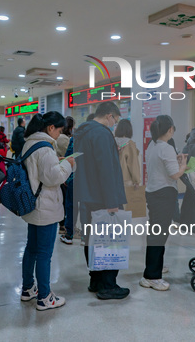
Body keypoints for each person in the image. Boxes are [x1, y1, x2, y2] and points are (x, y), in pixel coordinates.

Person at [74, 101, 129, 300]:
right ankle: (108, 285)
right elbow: (106, 170)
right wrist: (111, 200)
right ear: (109, 116)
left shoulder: (83, 132)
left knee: (92, 239)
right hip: (103, 198)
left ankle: (95, 280)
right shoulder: (102, 133)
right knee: (109, 241)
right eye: (115, 119)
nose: (115, 123)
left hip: (88, 196)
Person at [20, 112, 74, 311]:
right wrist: (68, 164)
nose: (60, 134)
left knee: (31, 249)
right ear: (51, 128)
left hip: (33, 205)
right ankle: (44, 297)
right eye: (59, 130)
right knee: (44, 253)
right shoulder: (46, 148)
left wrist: (56, 162)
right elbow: (53, 178)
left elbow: (41, 171)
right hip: (46, 206)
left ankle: (28, 289)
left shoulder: (30, 143)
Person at [141, 115, 188, 291]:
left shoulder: (152, 145)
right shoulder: (166, 148)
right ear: (169, 130)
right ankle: (151, 276)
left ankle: (155, 267)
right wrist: (183, 164)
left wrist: (175, 164)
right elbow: (175, 175)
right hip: (164, 194)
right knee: (158, 236)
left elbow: (162, 167)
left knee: (155, 233)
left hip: (153, 192)